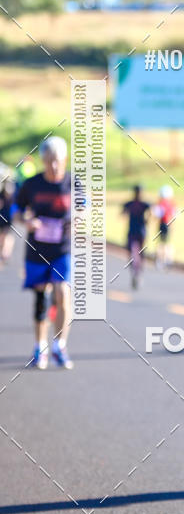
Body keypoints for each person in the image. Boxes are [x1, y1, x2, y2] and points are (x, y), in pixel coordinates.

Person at [15, 136, 73, 369]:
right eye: (49, 161)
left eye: (58, 161)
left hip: (62, 249)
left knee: (62, 294)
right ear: (42, 161)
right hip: (37, 250)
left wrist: (78, 219)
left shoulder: (72, 183)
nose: (54, 166)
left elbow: (85, 207)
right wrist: (27, 221)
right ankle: (40, 347)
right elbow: (17, 211)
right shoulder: (31, 184)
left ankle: (60, 345)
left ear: (65, 160)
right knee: (41, 299)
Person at [122, 185, 150, 289]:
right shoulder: (130, 204)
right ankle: (135, 271)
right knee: (132, 253)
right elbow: (123, 213)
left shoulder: (145, 204)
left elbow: (151, 213)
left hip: (140, 232)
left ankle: (138, 271)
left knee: (140, 253)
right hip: (133, 231)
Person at [153, 185, 177, 269]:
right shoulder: (172, 204)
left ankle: (160, 261)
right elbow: (175, 215)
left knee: (161, 243)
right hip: (169, 225)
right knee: (167, 243)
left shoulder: (161, 204)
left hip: (162, 224)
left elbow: (156, 215)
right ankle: (168, 260)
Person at [0, 180, 15, 265]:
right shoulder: (1, 195)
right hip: (1, 218)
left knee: (7, 236)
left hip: (8, 219)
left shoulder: (14, 197)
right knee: (2, 237)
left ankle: (5, 253)